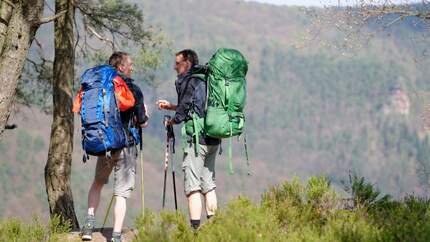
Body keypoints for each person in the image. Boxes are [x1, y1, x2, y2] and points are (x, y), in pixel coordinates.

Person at [73, 52, 148, 242]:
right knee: (121, 193)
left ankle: (88, 227)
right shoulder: (132, 88)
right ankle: (116, 236)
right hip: (126, 146)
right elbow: (142, 121)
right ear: (121, 67)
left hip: (105, 143)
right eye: (130, 64)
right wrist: (144, 114)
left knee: (97, 183)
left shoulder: (100, 85)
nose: (132, 67)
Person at [157, 49, 220, 230]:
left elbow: (185, 108)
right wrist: (172, 107)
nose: (174, 67)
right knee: (208, 185)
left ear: (188, 62)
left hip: (196, 139)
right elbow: (196, 106)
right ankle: (214, 229)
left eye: (177, 63)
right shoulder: (206, 78)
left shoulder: (190, 80)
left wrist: (172, 120)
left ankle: (195, 232)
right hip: (213, 136)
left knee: (193, 187)